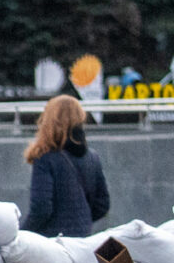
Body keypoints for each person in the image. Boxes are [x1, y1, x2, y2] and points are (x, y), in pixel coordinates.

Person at [22, 95, 111, 237]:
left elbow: (41, 208)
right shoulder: (92, 156)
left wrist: (22, 233)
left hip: (53, 242)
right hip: (82, 240)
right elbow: (103, 205)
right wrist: (81, 222)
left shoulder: (45, 158)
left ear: (48, 120)